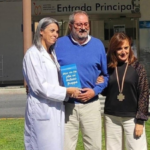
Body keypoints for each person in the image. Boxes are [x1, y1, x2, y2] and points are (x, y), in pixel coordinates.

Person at [23, 17, 80, 150]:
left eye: (57, 31)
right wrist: (66, 91)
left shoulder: (52, 54)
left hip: (56, 108)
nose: (55, 34)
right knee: (41, 145)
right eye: (52, 30)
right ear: (41, 31)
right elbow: (40, 87)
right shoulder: (33, 54)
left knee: (56, 145)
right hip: (41, 110)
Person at [55, 10, 109, 150]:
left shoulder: (98, 45)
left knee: (94, 146)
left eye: (86, 24)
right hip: (67, 105)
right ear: (71, 26)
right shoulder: (59, 44)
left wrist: (95, 91)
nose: (83, 27)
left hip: (91, 105)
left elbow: (106, 75)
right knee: (65, 146)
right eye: (79, 24)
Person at [98, 32, 149, 150]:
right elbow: (106, 92)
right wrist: (100, 82)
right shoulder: (109, 67)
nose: (123, 51)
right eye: (119, 48)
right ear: (113, 50)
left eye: (126, 47)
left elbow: (144, 94)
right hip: (112, 117)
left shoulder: (137, 68)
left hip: (132, 118)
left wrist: (140, 121)